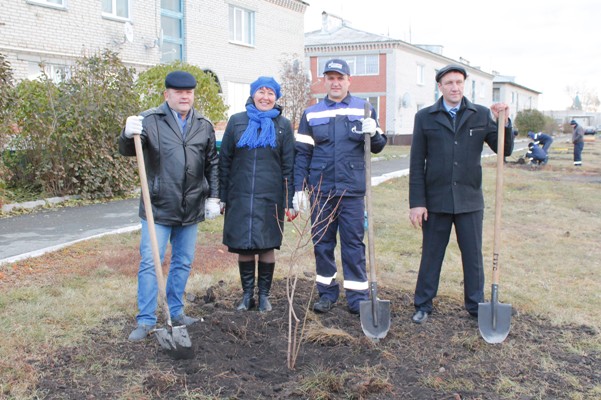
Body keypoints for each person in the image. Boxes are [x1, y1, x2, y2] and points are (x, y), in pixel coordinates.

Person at [119, 70, 221, 341]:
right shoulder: (150, 120)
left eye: (189, 92)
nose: (184, 96)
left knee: (183, 262)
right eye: (178, 92)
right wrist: (126, 133)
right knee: (151, 262)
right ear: (167, 95)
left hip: (191, 207)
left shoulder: (203, 124)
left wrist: (213, 197)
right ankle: (146, 320)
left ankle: (176, 312)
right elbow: (128, 149)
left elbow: (212, 163)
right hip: (159, 207)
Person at [408, 64, 514, 324]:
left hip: (469, 200)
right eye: (449, 83)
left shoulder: (479, 115)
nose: (455, 87)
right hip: (436, 201)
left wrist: (505, 123)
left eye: (459, 82)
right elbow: (416, 162)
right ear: (440, 87)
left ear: (463, 85)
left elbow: (504, 150)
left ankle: (476, 306)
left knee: (473, 256)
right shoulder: (425, 117)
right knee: (431, 254)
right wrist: (417, 203)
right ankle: (423, 305)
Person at [294, 59, 387, 315]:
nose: (335, 83)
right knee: (322, 243)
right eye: (330, 78)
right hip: (321, 191)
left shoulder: (364, 109)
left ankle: (357, 297)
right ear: (325, 81)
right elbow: (302, 153)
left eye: (340, 78)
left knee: (353, 244)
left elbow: (378, 146)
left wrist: (374, 133)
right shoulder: (311, 113)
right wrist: (300, 189)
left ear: (349, 81)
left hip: (351, 190)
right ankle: (327, 293)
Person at [219, 76, 295, 313]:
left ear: (276, 98)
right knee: (244, 247)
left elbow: (288, 166)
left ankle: (264, 296)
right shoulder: (236, 122)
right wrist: (220, 196)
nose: (265, 97)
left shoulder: (283, 125)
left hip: (269, 196)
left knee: (266, 246)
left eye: (270, 93)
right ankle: (246, 296)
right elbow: (225, 161)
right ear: (253, 95)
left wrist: (289, 200)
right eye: (261, 92)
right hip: (239, 194)